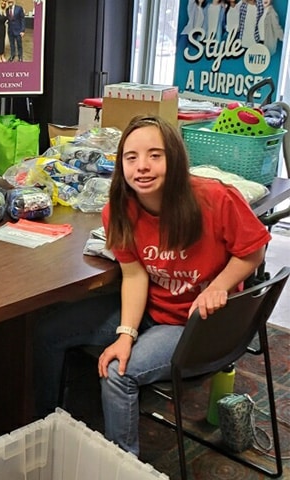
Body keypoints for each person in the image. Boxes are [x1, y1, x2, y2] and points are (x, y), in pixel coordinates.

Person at [33, 115, 270, 456]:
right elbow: (135, 275)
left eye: (155, 155)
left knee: (117, 373)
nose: (142, 166)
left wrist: (219, 286)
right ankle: (45, 427)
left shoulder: (214, 198)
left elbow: (253, 251)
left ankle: (123, 465)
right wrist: (125, 334)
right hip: (150, 310)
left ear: (174, 158)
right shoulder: (119, 208)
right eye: (131, 157)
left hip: (194, 325)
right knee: (48, 331)